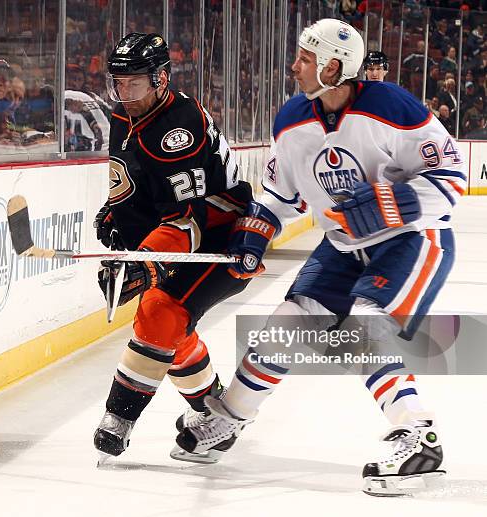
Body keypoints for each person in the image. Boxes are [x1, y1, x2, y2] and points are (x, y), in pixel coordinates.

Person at [176, 18, 466, 497]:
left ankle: (419, 436)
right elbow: (277, 196)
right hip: (343, 246)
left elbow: (451, 180)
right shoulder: (292, 120)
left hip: (413, 240)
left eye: (306, 60)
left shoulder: (392, 106)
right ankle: (228, 418)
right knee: (287, 323)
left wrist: (386, 205)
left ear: (335, 66)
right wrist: (251, 238)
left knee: (363, 327)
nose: (295, 67)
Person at [92, 32, 254, 463]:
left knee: (160, 311)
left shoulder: (177, 128)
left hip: (225, 237)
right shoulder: (124, 115)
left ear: (161, 79)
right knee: (171, 331)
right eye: (118, 82)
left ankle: (119, 418)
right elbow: (133, 182)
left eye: (134, 82)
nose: (124, 92)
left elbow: (191, 216)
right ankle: (215, 417)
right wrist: (115, 214)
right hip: (180, 233)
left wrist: (146, 261)